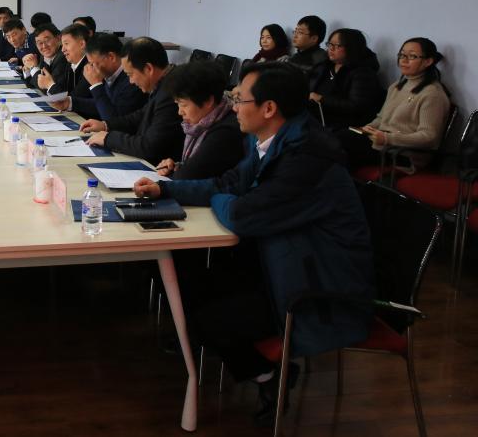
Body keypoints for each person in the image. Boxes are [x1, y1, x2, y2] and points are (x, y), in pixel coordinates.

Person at [134, 62, 373, 426]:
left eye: (239, 99)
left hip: (318, 284)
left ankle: (268, 376)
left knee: (209, 317)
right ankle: (263, 373)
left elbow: (242, 214)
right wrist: (168, 189)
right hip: (282, 260)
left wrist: (224, 200)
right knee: (187, 286)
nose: (233, 107)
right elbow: (230, 184)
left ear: (269, 108)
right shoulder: (267, 141)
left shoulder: (308, 157)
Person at [344, 37, 452, 171]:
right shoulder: (396, 86)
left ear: (428, 61)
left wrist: (387, 138)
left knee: (338, 148)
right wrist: (367, 129)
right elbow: (381, 118)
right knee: (336, 138)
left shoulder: (432, 94)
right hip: (382, 145)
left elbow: (429, 137)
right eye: (402, 55)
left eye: (412, 56)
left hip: (404, 155)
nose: (404, 60)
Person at [81, 37, 184, 163]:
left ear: (148, 69)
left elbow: (149, 147)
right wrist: (105, 125)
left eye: (130, 74)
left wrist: (108, 138)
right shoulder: (163, 84)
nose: (131, 81)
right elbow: (139, 116)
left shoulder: (170, 94)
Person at [156, 60, 244, 180]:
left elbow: (188, 177)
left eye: (184, 105)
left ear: (208, 101)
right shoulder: (200, 124)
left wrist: (175, 172)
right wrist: (175, 166)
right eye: (178, 104)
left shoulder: (226, 132)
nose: (180, 112)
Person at [309, 28, 384, 132]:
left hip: (344, 125)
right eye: (330, 44)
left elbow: (356, 106)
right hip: (317, 118)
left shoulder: (363, 73)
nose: (331, 49)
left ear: (352, 48)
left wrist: (322, 99)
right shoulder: (324, 66)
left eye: (337, 46)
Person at [60, 33, 145, 120]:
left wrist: (96, 85)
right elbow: (102, 104)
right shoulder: (109, 73)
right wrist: (69, 103)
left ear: (111, 57)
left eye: (93, 64)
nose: (91, 68)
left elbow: (114, 121)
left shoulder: (132, 80)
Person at [39, 23, 93, 118]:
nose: (63, 49)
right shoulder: (70, 64)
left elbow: (73, 98)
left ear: (82, 44)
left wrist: (49, 85)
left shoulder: (91, 66)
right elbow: (62, 91)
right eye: (62, 44)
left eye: (66, 44)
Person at [22, 23, 69, 93]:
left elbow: (47, 89)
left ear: (58, 38)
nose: (44, 46)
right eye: (39, 43)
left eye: (47, 40)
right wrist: (28, 69)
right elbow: (31, 85)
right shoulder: (44, 56)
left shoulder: (64, 57)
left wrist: (33, 67)